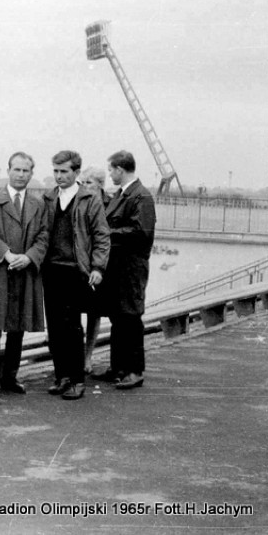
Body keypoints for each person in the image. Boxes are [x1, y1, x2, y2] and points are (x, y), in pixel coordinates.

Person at [0, 152, 48, 395]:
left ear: (31, 174)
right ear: (8, 170)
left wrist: (28, 257)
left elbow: (44, 236)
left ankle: (11, 377)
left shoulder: (38, 204)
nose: (20, 175)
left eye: (25, 171)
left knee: (18, 327)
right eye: (16, 170)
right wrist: (6, 254)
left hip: (25, 272)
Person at [41, 151, 110, 400]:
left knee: (71, 327)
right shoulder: (48, 197)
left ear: (76, 173)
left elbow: (102, 236)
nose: (59, 176)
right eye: (56, 171)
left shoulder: (89, 199)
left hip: (75, 270)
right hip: (51, 269)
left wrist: (98, 267)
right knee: (55, 326)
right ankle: (62, 376)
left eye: (64, 172)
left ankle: (77, 380)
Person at [92, 151, 156, 390]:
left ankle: (134, 370)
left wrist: (107, 234)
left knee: (130, 317)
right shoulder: (124, 195)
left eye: (111, 170)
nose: (110, 174)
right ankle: (118, 368)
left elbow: (141, 232)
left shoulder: (141, 196)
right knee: (118, 317)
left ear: (120, 169)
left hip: (131, 267)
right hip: (118, 267)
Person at [79, 166, 112, 373]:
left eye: (89, 182)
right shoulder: (79, 201)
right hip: (81, 264)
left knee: (95, 313)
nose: (84, 186)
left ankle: (88, 357)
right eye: (82, 183)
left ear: (100, 184)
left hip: (100, 266)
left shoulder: (110, 204)